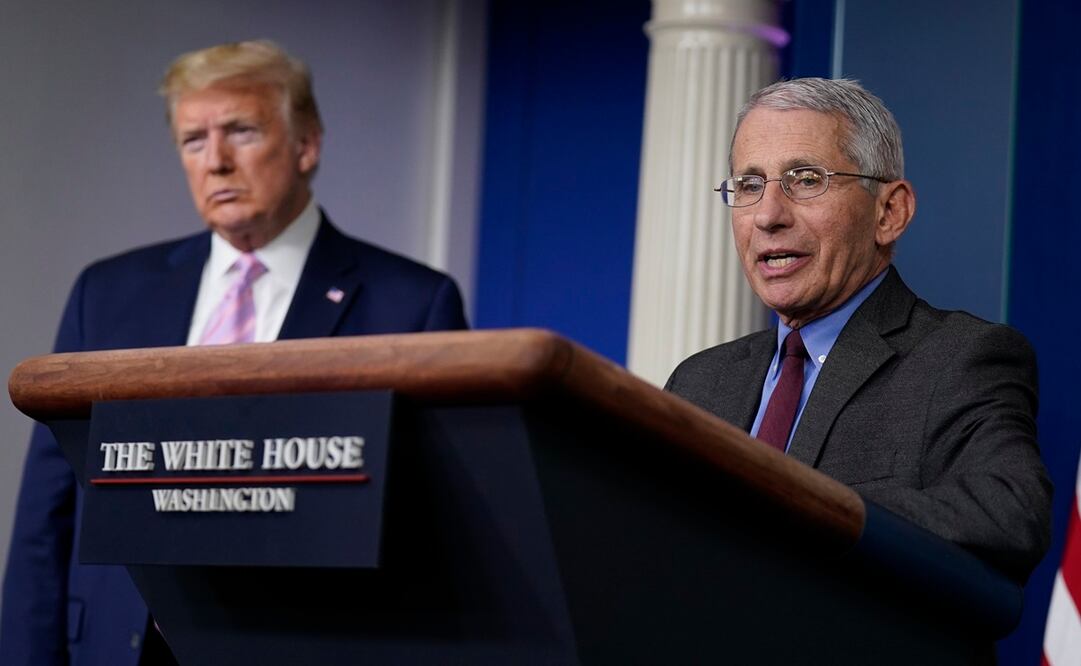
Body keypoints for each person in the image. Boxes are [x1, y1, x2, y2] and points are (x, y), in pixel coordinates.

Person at [0, 40, 467, 665]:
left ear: (307, 145)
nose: (215, 161)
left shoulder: (411, 303)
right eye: (193, 141)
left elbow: (434, 539)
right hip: (117, 647)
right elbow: (46, 516)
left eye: (241, 131)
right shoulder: (108, 293)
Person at [666, 77, 1051, 584]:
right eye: (749, 185)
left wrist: (800, 505)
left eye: (805, 179)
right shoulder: (699, 382)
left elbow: (1009, 511)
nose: (767, 215)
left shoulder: (961, 358)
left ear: (889, 212)